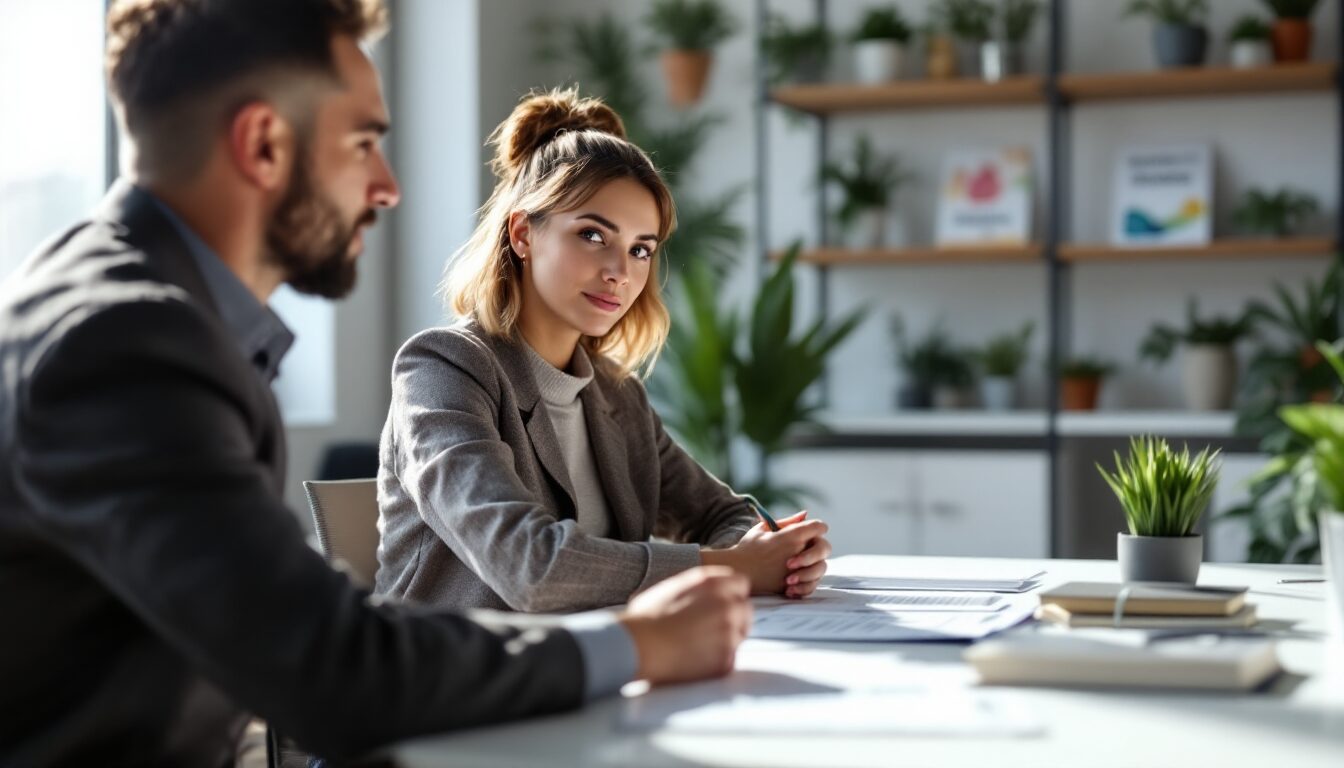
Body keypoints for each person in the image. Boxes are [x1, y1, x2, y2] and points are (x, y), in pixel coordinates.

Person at [0, 1, 751, 765]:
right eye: (364, 144)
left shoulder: (161, 322)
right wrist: (633, 645)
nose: (387, 187)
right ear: (263, 144)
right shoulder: (124, 345)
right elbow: (329, 661)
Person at [374, 89, 833, 615]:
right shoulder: (443, 368)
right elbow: (531, 568)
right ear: (523, 233)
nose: (620, 271)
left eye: (641, 249)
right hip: (452, 680)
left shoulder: (617, 396)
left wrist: (779, 554)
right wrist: (738, 566)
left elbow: (724, 515)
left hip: (596, 668)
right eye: (593, 235)